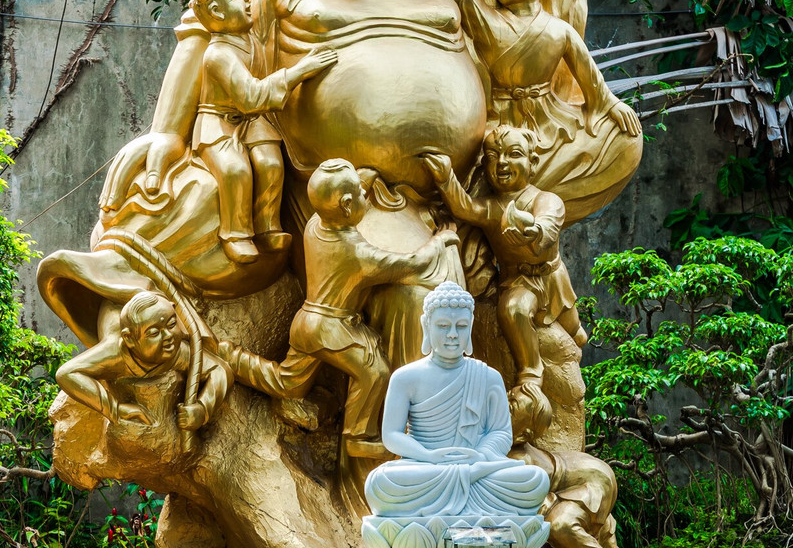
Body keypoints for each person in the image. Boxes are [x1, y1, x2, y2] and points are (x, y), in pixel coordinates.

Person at [220, 159, 460, 458]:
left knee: (288, 383)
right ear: (347, 206)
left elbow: (341, 197)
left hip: (306, 323)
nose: (364, 195)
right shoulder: (357, 254)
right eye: (361, 195)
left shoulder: (314, 225)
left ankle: (230, 355)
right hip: (333, 329)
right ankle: (357, 436)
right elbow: (410, 263)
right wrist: (440, 241)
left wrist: (361, 181)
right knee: (375, 370)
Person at [423, 126, 584, 420]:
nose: (502, 163)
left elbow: (547, 227)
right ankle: (531, 373)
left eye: (514, 155)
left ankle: (573, 340)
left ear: (533, 163)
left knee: (575, 331)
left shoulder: (545, 200)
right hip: (517, 281)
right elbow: (464, 207)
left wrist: (531, 230)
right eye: (493, 157)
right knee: (512, 311)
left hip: (551, 276)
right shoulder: (494, 207)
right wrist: (445, 177)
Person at [363, 281, 550, 517]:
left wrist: (479, 456)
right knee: (380, 482)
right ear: (426, 326)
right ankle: (480, 522)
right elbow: (391, 435)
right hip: (426, 469)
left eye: (460, 326)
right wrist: (429, 456)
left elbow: (501, 433)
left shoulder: (489, 377)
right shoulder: (405, 378)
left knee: (535, 479)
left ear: (470, 327)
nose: (452, 334)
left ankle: (430, 526)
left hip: (478, 469)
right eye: (443, 325)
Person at [455, 0, 643, 221]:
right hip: (497, 122)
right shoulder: (490, 20)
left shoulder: (560, 30)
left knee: (626, 137)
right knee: (482, 167)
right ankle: (504, 207)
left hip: (551, 122)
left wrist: (610, 105)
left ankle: (531, 205)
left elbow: (594, 84)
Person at [190, 0, 337, 263]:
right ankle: (236, 234)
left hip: (252, 121)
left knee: (270, 163)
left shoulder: (249, 39)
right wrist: (300, 70)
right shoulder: (217, 54)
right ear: (217, 12)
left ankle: (268, 224)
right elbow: (251, 97)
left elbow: (269, 0)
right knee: (235, 170)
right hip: (220, 122)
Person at [55, 291, 232, 430]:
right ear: (130, 340)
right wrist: (115, 410)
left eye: (171, 325)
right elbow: (66, 373)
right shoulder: (114, 352)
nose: (168, 336)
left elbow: (220, 370)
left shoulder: (178, 350)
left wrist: (203, 409)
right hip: (113, 297)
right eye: (154, 333)